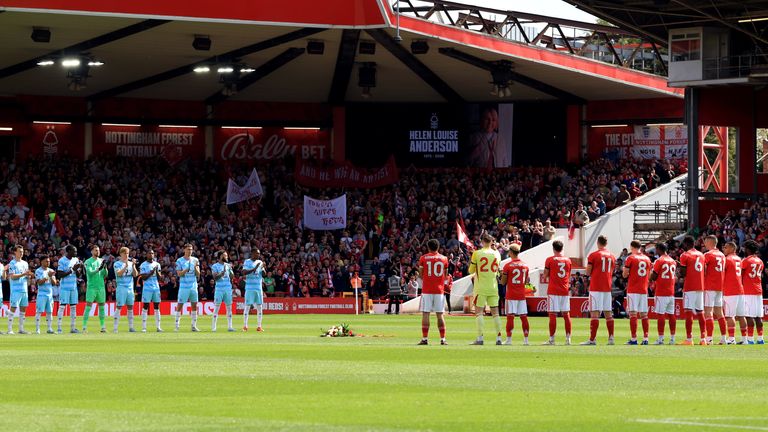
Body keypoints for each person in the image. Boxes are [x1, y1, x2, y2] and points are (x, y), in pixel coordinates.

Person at [582, 235, 616, 345]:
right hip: (607, 287)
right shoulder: (612, 256)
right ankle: (611, 338)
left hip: (596, 287)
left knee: (595, 313)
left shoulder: (593, 255)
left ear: (598, 242)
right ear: (606, 243)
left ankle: (592, 340)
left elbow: (588, 272)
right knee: (608, 313)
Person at [469, 233, 503, 345]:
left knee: (479, 312)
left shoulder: (477, 253)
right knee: (495, 313)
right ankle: (499, 338)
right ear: (492, 242)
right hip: (493, 287)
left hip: (481, 288)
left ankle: (480, 338)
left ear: (482, 241)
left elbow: (471, 271)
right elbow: (498, 270)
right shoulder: (497, 254)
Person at [417, 239, 448, 346]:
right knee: (440, 315)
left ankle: (425, 338)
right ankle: (443, 339)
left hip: (427, 290)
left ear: (428, 247)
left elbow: (421, 274)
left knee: (426, 313)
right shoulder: (444, 259)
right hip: (439, 290)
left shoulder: (423, 258)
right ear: (438, 247)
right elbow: (445, 274)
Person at [678, 235, 707, 345]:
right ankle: (703, 338)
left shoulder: (685, 255)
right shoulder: (701, 255)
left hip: (690, 286)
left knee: (689, 312)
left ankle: (689, 339)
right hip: (700, 286)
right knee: (700, 312)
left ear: (686, 243)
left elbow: (683, 273)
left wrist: (680, 268)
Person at [500, 244, 530, 345]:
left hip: (511, 294)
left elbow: (503, 282)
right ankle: (526, 340)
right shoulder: (525, 265)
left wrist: (500, 277)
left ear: (511, 252)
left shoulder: (507, 266)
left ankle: (509, 340)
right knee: (523, 317)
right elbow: (526, 282)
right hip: (521, 295)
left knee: (510, 317)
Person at [543, 240, 573, 345]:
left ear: (553, 248)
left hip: (553, 290)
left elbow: (545, 275)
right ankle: (568, 338)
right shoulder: (568, 260)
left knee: (552, 315)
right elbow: (569, 275)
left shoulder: (549, 260)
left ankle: (552, 339)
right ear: (562, 248)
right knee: (566, 314)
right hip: (564, 289)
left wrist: (547, 275)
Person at [623, 240, 652, 345]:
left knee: (633, 314)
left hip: (633, 289)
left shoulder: (630, 258)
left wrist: (625, 271)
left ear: (632, 247)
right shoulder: (647, 259)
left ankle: (634, 338)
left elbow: (625, 275)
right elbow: (649, 275)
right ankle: (645, 338)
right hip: (643, 289)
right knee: (644, 314)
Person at [650, 242, 677, 345]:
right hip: (671, 291)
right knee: (671, 315)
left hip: (661, 291)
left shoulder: (659, 260)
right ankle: (672, 338)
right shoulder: (672, 261)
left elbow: (654, 277)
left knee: (661, 315)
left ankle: (661, 339)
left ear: (658, 249)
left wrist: (651, 272)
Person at [702, 235, 727, 345]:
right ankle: (723, 338)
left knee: (708, 313)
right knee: (720, 313)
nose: (704, 244)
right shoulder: (722, 255)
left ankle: (710, 339)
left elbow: (703, 270)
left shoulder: (708, 254)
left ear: (709, 242)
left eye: (705, 242)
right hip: (720, 287)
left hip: (710, 286)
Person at [722, 241, 747, 344]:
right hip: (740, 290)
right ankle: (744, 339)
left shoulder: (727, 259)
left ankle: (732, 339)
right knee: (741, 315)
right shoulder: (739, 259)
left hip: (731, 290)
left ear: (732, 248)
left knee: (729, 315)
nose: (724, 249)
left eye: (726, 247)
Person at [741, 240, 764, 344]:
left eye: (745, 248)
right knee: (758, 316)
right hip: (758, 290)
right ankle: (760, 338)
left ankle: (750, 339)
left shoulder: (746, 261)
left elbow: (740, 274)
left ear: (748, 249)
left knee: (748, 316)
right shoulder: (760, 261)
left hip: (748, 290)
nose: (744, 250)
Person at [7, 245, 33, 334]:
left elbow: (26, 275)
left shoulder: (25, 263)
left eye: (22, 251)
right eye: (19, 251)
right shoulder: (12, 263)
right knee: (13, 308)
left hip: (24, 289)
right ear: (15, 252)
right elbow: (12, 277)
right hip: (15, 290)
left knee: (23, 310)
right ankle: (10, 329)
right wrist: (23, 274)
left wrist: (29, 277)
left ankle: (21, 329)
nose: (21, 253)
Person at [56, 245, 83, 334]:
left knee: (73, 307)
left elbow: (78, 275)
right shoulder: (62, 260)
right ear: (68, 251)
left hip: (73, 287)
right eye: (74, 251)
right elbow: (60, 275)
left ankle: (73, 327)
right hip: (64, 288)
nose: (75, 253)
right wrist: (72, 270)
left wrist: (80, 269)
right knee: (62, 306)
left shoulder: (75, 260)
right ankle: (59, 328)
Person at [174, 243, 201, 332]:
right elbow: (179, 274)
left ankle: (194, 326)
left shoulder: (195, 260)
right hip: (184, 287)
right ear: (184, 250)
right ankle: (177, 326)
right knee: (180, 305)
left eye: (191, 249)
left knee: (194, 305)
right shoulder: (179, 261)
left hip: (193, 286)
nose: (190, 251)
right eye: (188, 249)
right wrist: (186, 269)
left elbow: (198, 274)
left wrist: (195, 268)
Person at [83, 245, 109, 333]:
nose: (97, 252)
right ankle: (84, 327)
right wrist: (99, 269)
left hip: (101, 287)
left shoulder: (101, 261)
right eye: (95, 250)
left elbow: (105, 275)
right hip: (92, 288)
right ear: (91, 252)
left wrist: (105, 268)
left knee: (102, 307)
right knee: (88, 307)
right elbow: (89, 273)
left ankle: (103, 327)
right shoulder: (88, 261)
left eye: (98, 250)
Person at [113, 247, 138, 333]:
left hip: (130, 288)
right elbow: (119, 274)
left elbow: (135, 275)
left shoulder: (131, 263)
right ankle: (115, 328)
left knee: (130, 307)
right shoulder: (117, 264)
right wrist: (125, 266)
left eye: (127, 253)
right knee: (119, 306)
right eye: (125, 253)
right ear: (121, 254)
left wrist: (133, 266)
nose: (126, 255)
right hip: (121, 287)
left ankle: (131, 327)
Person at [211, 250, 236, 332]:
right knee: (217, 307)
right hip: (219, 289)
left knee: (229, 308)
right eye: (225, 255)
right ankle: (214, 327)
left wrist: (231, 270)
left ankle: (230, 326)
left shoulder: (228, 265)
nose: (227, 257)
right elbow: (215, 278)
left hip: (228, 289)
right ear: (221, 256)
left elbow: (232, 277)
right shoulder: (215, 266)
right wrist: (222, 273)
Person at [242, 248, 266, 332]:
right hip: (249, 287)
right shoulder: (247, 262)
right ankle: (245, 326)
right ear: (252, 253)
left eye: (259, 254)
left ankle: (259, 326)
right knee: (247, 306)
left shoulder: (260, 262)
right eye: (257, 253)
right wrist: (254, 269)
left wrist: (264, 268)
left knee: (259, 307)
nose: (258, 255)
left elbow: (263, 274)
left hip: (258, 288)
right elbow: (244, 272)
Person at [140, 250, 163, 333]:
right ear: (146, 254)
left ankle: (158, 327)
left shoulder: (157, 264)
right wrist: (151, 272)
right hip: (147, 288)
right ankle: (144, 327)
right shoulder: (143, 265)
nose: (151, 254)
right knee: (145, 306)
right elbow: (143, 277)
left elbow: (160, 278)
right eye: (149, 253)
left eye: (152, 253)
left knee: (157, 307)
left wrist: (156, 271)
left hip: (156, 288)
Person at [34, 255, 57, 334]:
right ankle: (37, 329)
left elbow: (54, 283)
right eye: (46, 261)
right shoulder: (38, 271)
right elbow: (39, 283)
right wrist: (48, 276)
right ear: (41, 262)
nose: (48, 263)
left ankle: (49, 328)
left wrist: (51, 277)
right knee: (39, 312)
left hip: (50, 294)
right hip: (41, 294)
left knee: (50, 312)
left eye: (49, 261)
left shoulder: (51, 270)